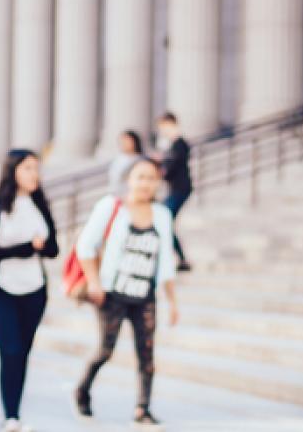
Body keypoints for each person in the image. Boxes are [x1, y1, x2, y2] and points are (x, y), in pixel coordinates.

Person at [73, 156, 181, 426]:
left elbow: (165, 261)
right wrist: (94, 282)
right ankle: (82, 390)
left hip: (144, 295)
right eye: (140, 177)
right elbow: (85, 245)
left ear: (158, 182)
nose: (145, 183)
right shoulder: (111, 207)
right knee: (105, 350)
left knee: (147, 353)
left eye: (151, 178)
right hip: (111, 294)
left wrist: (173, 301)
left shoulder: (162, 215)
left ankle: (142, 408)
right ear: (129, 180)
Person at [0, 149, 59, 432]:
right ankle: (10, 417)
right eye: (27, 169)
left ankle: (16, 413)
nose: (34, 174)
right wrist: (23, 249)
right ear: (13, 172)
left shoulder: (40, 206)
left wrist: (41, 247)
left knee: (21, 353)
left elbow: (54, 249)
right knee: (10, 350)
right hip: (1, 290)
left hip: (35, 290)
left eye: (36, 169)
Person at [155, 113, 194, 272]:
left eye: (162, 127)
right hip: (175, 189)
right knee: (164, 222)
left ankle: (179, 258)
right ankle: (180, 258)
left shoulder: (179, 144)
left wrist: (162, 164)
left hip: (180, 189)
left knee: (164, 221)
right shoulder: (172, 145)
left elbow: (171, 168)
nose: (161, 131)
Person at [107, 129, 145, 197]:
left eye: (127, 141)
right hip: (117, 194)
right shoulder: (118, 159)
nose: (124, 144)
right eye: (122, 141)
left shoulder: (141, 161)